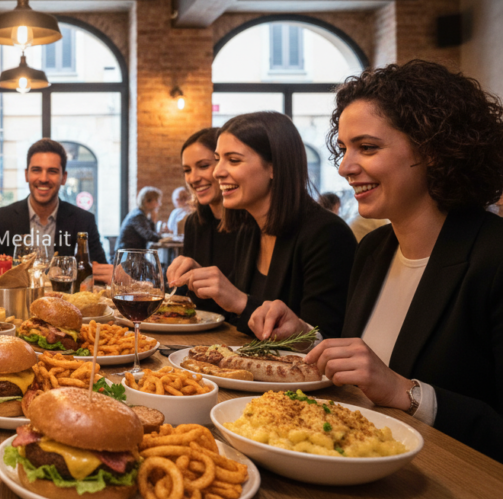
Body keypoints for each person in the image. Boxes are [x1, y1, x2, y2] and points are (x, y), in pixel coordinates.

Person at [246, 60, 503, 461]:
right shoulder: (374, 248)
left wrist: (409, 393)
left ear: (434, 150)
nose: (345, 167)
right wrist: (304, 338)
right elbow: (367, 367)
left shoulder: (492, 257)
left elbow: (394, 384)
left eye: (367, 148)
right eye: (345, 148)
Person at [167, 112, 356, 338]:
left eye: (233, 160)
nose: (217, 172)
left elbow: (324, 339)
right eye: (218, 160)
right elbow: (238, 321)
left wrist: (238, 300)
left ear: (275, 166)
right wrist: (204, 285)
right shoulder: (250, 229)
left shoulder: (326, 234)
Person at [0, 139, 111, 281]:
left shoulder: (84, 220)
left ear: (63, 178)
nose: (44, 178)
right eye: (36, 170)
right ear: (26, 175)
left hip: (65, 301)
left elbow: (99, 270)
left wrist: (110, 274)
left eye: (52, 171)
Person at [179, 127, 237, 314]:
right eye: (187, 170)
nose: (193, 178)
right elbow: (187, 297)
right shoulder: (194, 223)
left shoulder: (252, 224)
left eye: (203, 166)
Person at [114, 186, 162, 256]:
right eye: (157, 201)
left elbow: (152, 234)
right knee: (154, 265)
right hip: (126, 256)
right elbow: (150, 236)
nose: (159, 204)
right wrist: (166, 238)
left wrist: (152, 220)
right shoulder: (138, 216)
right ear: (147, 201)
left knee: (154, 265)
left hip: (133, 254)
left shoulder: (141, 214)